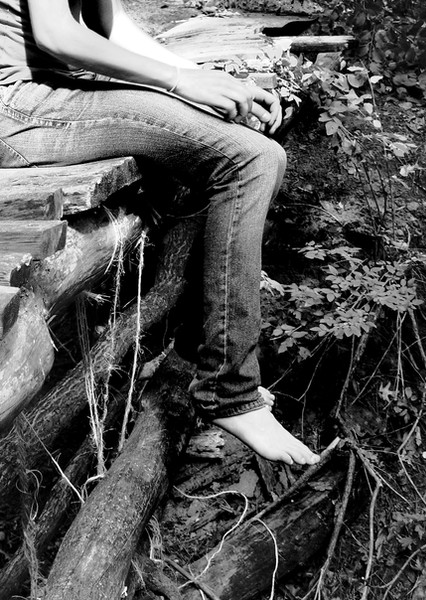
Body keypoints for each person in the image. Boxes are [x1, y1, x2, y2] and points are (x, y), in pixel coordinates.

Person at [0, 0, 320, 465]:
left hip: (60, 85)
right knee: (250, 159)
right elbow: (57, 35)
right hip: (17, 104)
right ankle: (229, 391)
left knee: (257, 150)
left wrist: (208, 80)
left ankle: (203, 356)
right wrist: (179, 81)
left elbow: (112, 25)